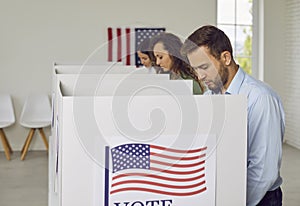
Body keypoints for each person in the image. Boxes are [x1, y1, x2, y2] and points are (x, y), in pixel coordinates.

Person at [181, 25, 285, 206]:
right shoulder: (209, 96)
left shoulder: (260, 98)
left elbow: (263, 171)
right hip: (225, 192)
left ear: (226, 58)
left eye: (204, 67)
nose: (200, 76)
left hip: (258, 198)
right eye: (195, 69)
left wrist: (235, 201)